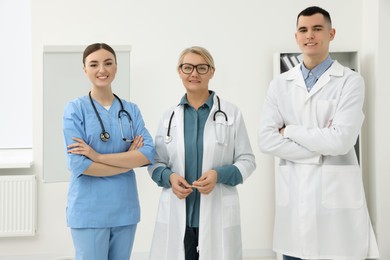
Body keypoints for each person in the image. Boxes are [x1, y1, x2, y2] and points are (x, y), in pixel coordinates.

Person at [258, 6, 379, 260]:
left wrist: (290, 130)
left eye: (317, 29)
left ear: (331, 33)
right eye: (303, 30)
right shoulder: (280, 84)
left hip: (336, 211)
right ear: (296, 37)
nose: (309, 35)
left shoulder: (350, 81)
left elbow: (341, 141)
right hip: (294, 208)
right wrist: (318, 150)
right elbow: (266, 140)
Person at [148, 46, 256, 260]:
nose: (194, 73)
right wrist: (169, 177)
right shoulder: (169, 117)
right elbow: (155, 163)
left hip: (217, 213)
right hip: (178, 216)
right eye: (187, 67)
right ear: (179, 72)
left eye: (201, 67)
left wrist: (219, 175)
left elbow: (248, 161)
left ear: (212, 72)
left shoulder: (231, 113)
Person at [63, 43, 155, 260]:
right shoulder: (75, 109)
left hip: (125, 208)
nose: (101, 70)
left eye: (108, 63)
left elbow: (148, 153)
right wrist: (129, 160)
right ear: (85, 69)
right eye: (93, 64)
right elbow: (79, 165)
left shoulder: (130, 110)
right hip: (89, 210)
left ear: (116, 67)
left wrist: (98, 156)